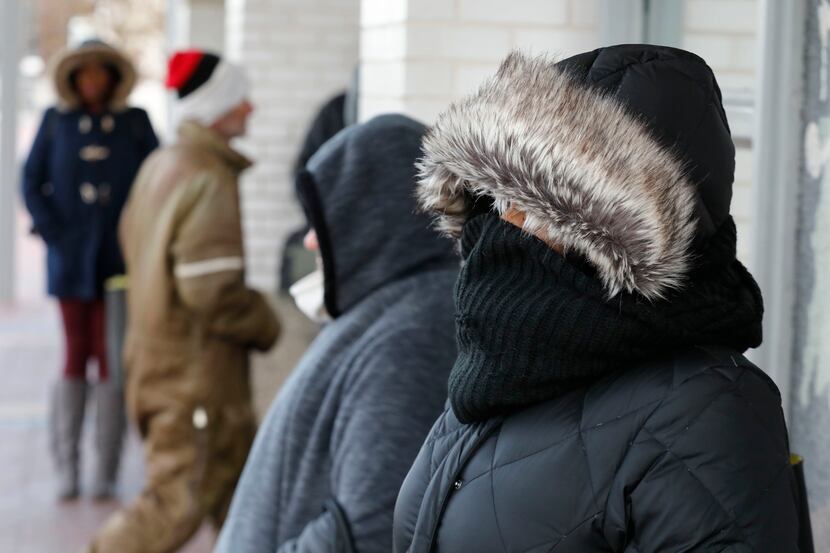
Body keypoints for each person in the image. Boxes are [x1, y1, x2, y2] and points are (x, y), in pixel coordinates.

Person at [394, 46, 801, 552]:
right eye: (500, 198)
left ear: (616, 232)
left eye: (541, 205)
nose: (509, 224)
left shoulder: (711, 411)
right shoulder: (496, 369)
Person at [215, 114, 459, 553]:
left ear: (371, 219)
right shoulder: (397, 309)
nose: (310, 242)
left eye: (322, 222)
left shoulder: (412, 337)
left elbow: (373, 526)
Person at [85, 50, 280, 553]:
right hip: (195, 384)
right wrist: (266, 320)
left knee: (244, 505)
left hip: (166, 368)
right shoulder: (206, 176)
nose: (251, 109)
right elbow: (210, 292)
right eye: (241, 100)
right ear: (218, 107)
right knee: (175, 505)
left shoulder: (162, 164)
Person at [21, 39, 158, 500]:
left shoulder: (134, 124)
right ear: (74, 79)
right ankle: (67, 467)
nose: (94, 81)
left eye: (102, 73)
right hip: (69, 261)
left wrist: (136, 236)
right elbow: (30, 181)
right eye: (86, 74)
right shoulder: (56, 122)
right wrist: (56, 233)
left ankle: (106, 469)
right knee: (74, 355)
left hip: (118, 263)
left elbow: (153, 182)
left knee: (112, 361)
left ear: (114, 78)